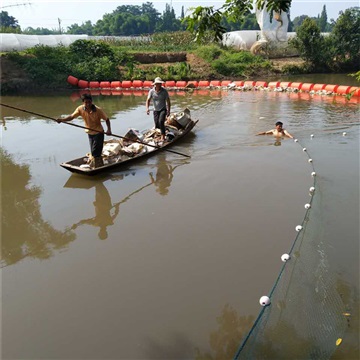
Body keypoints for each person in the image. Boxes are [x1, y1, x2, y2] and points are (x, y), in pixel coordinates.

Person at [56, 93, 112, 168]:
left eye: (89, 102)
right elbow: (71, 117)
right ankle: (98, 164)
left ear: (92, 101)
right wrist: (62, 120)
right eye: (86, 102)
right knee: (94, 151)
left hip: (99, 132)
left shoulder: (98, 110)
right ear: (83, 102)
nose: (88, 104)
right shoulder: (80, 109)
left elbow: (107, 119)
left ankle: (98, 166)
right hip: (90, 133)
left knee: (95, 152)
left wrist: (109, 130)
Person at [145, 77, 171, 142]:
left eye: (160, 84)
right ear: (155, 84)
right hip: (155, 110)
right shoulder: (151, 91)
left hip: (163, 109)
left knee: (161, 121)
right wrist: (147, 109)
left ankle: (163, 136)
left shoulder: (164, 91)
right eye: (157, 84)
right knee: (157, 124)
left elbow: (168, 101)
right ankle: (164, 130)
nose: (159, 85)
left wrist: (168, 111)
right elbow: (148, 100)